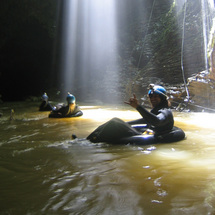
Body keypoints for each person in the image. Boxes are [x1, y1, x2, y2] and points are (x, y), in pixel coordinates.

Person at [87, 84, 174, 143]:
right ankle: (87, 139)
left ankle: (90, 142)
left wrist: (138, 107)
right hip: (146, 133)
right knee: (116, 121)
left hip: (148, 137)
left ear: (162, 98)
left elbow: (157, 121)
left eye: (156, 96)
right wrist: (126, 123)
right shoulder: (156, 110)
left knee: (114, 122)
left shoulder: (165, 111)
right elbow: (145, 120)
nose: (152, 98)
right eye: (151, 96)